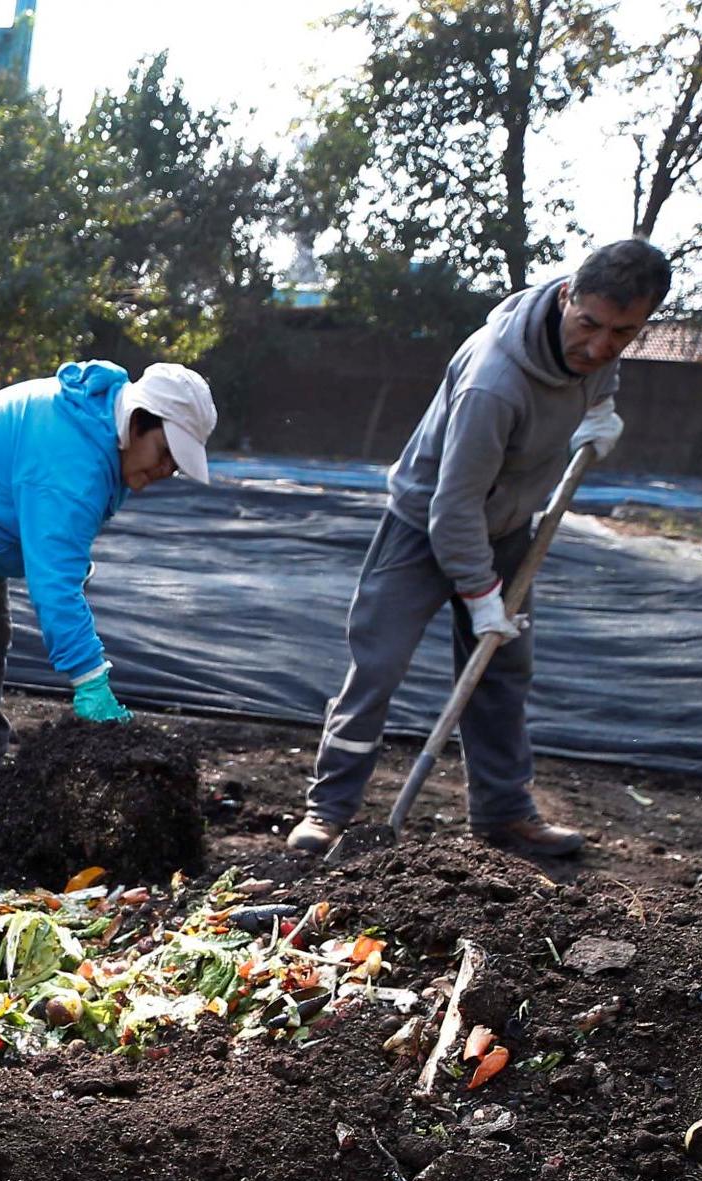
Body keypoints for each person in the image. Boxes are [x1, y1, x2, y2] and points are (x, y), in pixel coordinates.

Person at [288, 239, 670, 857]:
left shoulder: (599, 354)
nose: (599, 348)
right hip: (422, 526)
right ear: (567, 295)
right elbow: (452, 507)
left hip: (509, 527)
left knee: (502, 673)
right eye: (590, 325)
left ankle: (503, 812)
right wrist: (481, 594)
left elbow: (600, 384)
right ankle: (328, 810)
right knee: (379, 664)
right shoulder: (494, 382)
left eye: (622, 334)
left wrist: (600, 418)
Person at [0, 360, 218, 774]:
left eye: (176, 465)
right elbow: (54, 581)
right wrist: (90, 681)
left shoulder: (104, 441)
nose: (166, 470)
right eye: (165, 453)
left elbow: (64, 552)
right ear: (137, 421)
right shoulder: (71, 455)